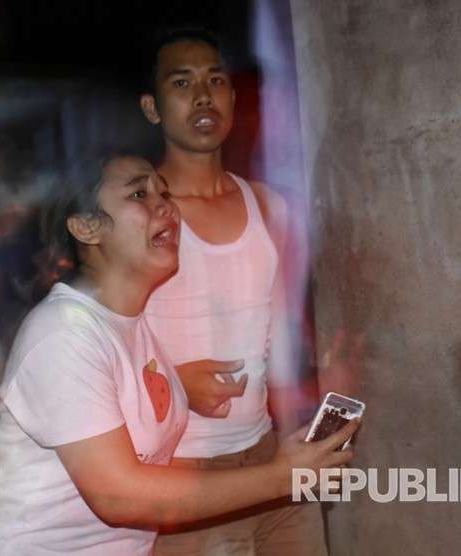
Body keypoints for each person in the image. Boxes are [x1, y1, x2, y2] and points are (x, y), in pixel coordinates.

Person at [0, 153, 358, 555]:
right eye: (139, 193)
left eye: (164, 192)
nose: (165, 206)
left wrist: (180, 387)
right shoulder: (62, 334)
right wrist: (283, 475)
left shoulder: (131, 326)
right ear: (86, 226)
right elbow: (118, 495)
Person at [139, 29, 334, 555]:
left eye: (215, 80)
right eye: (182, 83)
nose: (203, 95)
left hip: (269, 456)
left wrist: (306, 415)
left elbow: (279, 341)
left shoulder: (270, 207)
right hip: (182, 474)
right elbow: (98, 348)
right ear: (152, 108)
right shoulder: (141, 218)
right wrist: (175, 386)